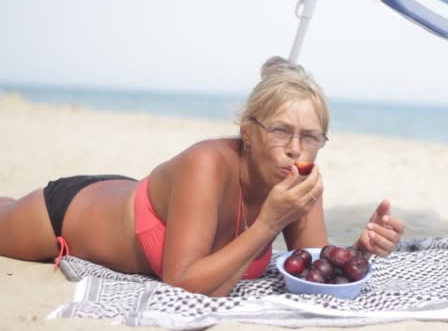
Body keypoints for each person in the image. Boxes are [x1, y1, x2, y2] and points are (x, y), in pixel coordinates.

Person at [0, 56, 405, 296]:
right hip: (68, 213)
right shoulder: (206, 164)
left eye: (310, 137)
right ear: (247, 133)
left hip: (130, 194)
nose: (296, 149)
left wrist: (358, 251)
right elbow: (181, 283)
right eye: (281, 130)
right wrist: (269, 222)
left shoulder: (300, 182)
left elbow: (315, 271)